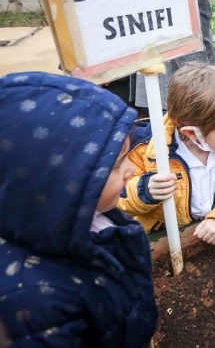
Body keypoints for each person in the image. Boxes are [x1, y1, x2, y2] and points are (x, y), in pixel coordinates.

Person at [0, 72, 157, 347]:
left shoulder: (95, 216)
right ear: (62, 183)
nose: (132, 170)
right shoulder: (32, 303)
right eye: (118, 164)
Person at [119, 64, 215, 244]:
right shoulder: (145, 150)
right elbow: (117, 197)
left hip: (205, 236)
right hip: (162, 239)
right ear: (192, 133)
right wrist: (144, 190)